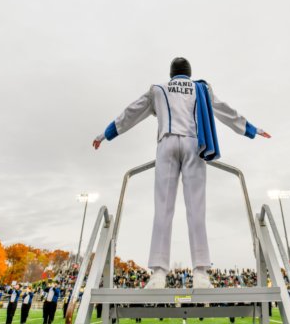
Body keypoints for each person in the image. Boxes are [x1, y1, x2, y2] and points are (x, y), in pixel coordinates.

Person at [93, 58, 270, 288]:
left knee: (163, 208)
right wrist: (252, 129)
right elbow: (226, 111)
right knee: (196, 208)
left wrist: (106, 134)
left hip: (166, 144)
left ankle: (158, 273)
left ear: (171, 74)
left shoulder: (158, 89)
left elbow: (131, 113)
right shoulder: (202, 88)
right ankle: (201, 273)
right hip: (194, 144)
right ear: (189, 73)